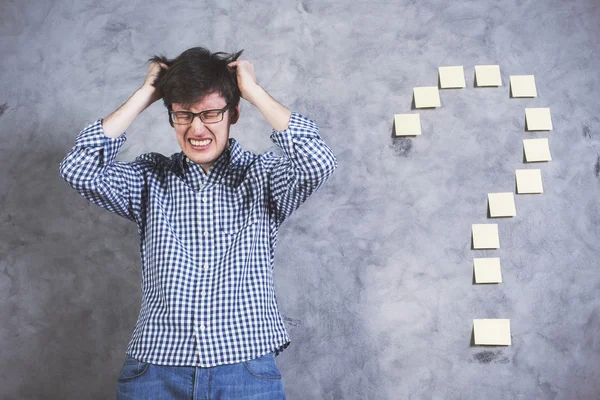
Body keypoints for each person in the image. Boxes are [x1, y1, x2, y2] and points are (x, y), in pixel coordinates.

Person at [58, 47, 337, 399]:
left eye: (210, 114)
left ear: (233, 113)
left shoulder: (264, 176)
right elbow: (77, 168)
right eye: (184, 115)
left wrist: (252, 91)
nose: (197, 128)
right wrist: (148, 93)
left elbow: (318, 162)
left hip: (245, 369)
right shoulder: (148, 177)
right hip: (155, 372)